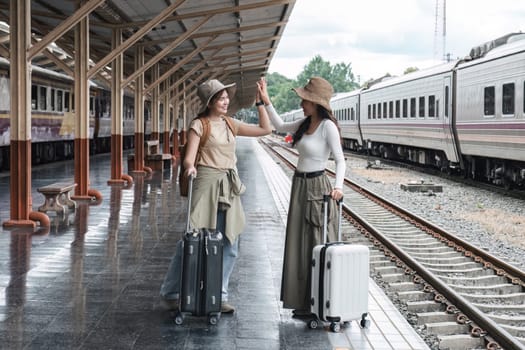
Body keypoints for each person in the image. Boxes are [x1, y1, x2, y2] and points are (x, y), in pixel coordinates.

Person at [160, 78, 272, 314]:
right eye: (220, 98)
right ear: (210, 102)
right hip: (205, 183)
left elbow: (266, 129)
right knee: (191, 240)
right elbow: (189, 157)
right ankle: (171, 292)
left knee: (230, 241)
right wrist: (190, 167)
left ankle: (218, 295)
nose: (225, 101)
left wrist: (261, 103)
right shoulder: (199, 125)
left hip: (229, 186)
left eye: (226, 97)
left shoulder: (231, 124)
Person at [257, 76, 345, 316]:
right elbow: (278, 125)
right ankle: (303, 301)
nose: (302, 103)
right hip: (299, 185)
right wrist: (266, 101)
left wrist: (338, 187)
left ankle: (318, 301)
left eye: (305, 100)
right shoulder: (304, 124)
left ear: (316, 103)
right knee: (298, 243)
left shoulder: (328, 127)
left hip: (318, 187)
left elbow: (340, 160)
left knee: (316, 243)